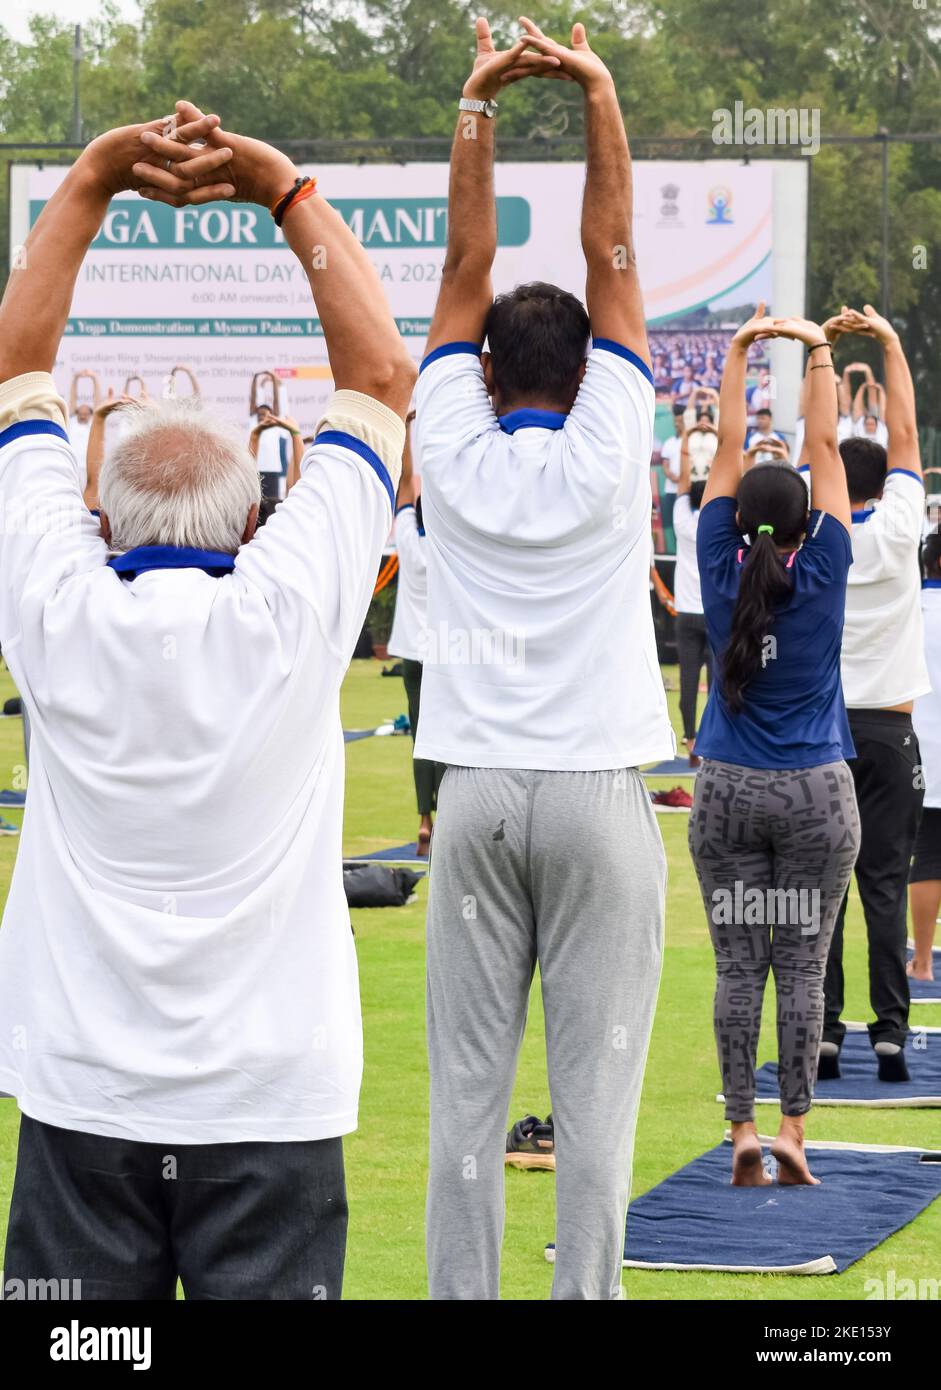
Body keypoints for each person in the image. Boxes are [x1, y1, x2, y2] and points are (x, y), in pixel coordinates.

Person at [0, 102, 415, 1300]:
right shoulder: (288, 604)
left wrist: (90, 178)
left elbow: (19, 368)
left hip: (84, 1099)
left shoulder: (52, 600)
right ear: (250, 519)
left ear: (99, 517)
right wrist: (281, 188)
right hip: (268, 1103)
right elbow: (380, 375)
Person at [414, 16, 673, 1301]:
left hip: (470, 797)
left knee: (464, 1106)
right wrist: (597, 87)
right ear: (581, 374)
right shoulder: (611, 434)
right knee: (595, 1103)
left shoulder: (448, 442)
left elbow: (469, 255)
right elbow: (608, 248)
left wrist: (477, 99)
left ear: (485, 369)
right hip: (589, 792)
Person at [688, 305, 859, 1186]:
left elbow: (724, 445)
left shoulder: (719, 563)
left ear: (742, 522)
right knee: (800, 964)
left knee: (735, 967)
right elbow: (825, 452)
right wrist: (818, 349)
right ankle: (793, 1130)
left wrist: (738, 353)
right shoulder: (825, 567)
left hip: (725, 790)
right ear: (803, 526)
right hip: (813, 795)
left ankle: (741, 1129)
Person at [821, 306, 928, 1082]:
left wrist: (816, 355)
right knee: (882, 886)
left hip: (822, 739)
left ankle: (823, 1031)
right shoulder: (896, 528)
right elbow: (906, 438)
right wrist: (887, 343)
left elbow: (817, 447)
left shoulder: (815, 534)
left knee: (822, 891)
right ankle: (888, 1033)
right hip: (888, 737)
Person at [388, 415, 444, 855]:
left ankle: (424, 819)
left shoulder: (408, 538)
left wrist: (407, 432)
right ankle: (448, 817)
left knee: (421, 737)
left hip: (412, 653)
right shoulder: (451, 547)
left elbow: (406, 482)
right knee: (450, 738)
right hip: (449, 654)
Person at [909, 531, 941, 982]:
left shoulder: (911, 612)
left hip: (919, 754)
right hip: (920, 751)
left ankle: (921, 963)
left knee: (927, 857)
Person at [673, 432, 712, 766]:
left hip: (687, 614)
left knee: (688, 681)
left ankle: (690, 741)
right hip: (714, 614)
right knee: (718, 683)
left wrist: (687, 441)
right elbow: (735, 488)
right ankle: (713, 741)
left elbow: (684, 483)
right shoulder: (719, 524)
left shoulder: (682, 520)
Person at [658, 403, 685, 547]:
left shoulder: (691, 441)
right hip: (671, 491)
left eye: (680, 421)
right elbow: (665, 465)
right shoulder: (669, 443)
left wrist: (683, 479)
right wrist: (671, 475)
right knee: (673, 524)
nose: (677, 424)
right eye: (675, 421)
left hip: (686, 491)